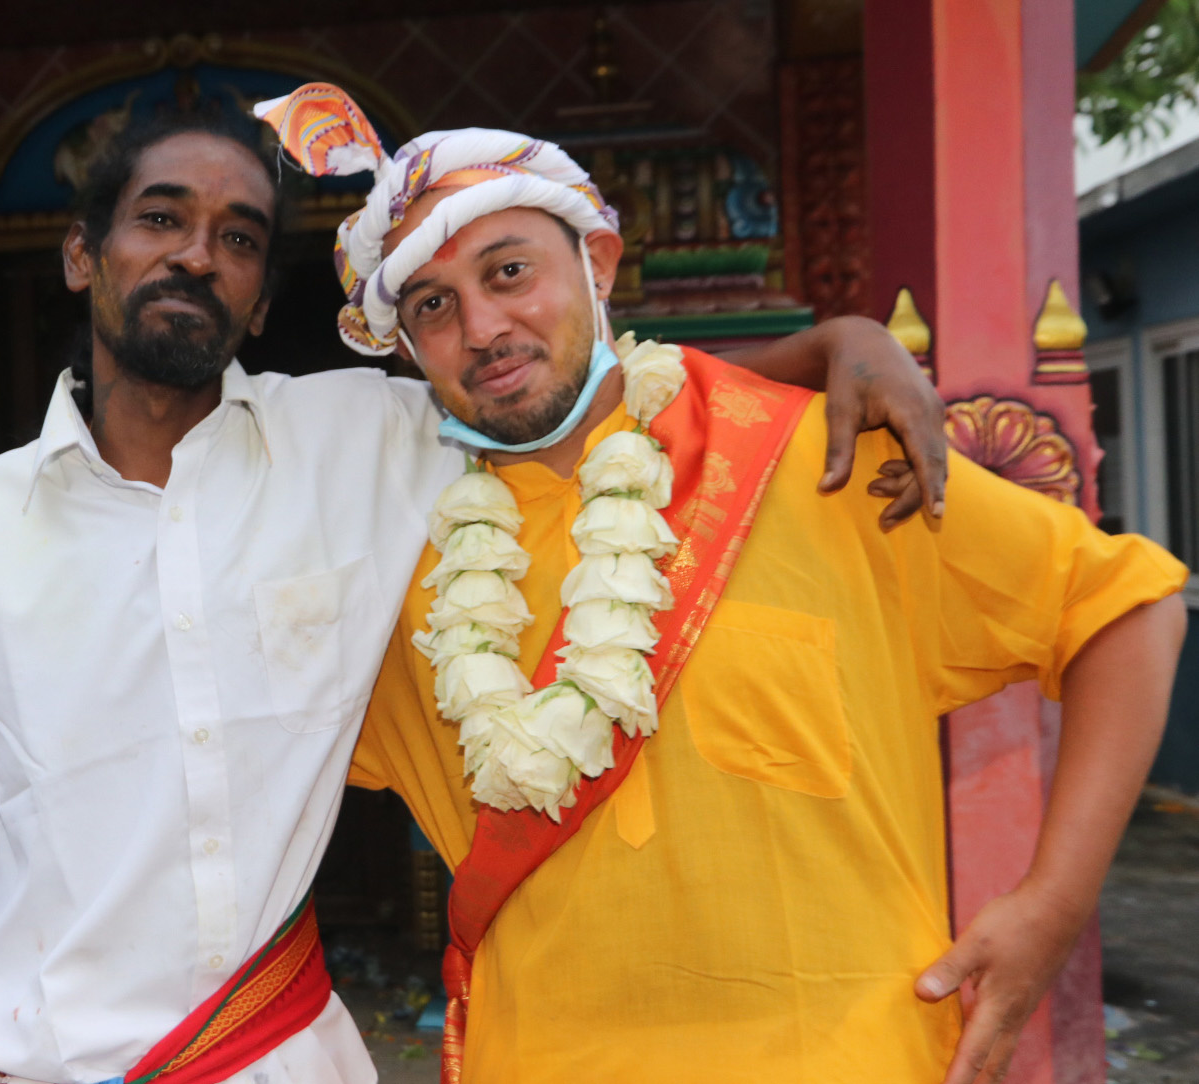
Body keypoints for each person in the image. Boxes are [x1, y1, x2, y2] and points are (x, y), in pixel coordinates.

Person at [0, 109, 950, 1084]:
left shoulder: (363, 439)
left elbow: (577, 390)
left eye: (237, 238)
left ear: (261, 296)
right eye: (160, 219)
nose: (198, 255)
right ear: (81, 254)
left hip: (263, 1050)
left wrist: (830, 344)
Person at [244, 85, 1182, 1084]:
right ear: (406, 348)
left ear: (595, 261)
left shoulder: (815, 455)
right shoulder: (401, 567)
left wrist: (1050, 904)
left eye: (508, 271)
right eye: (432, 307)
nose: (482, 327)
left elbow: (1121, 608)